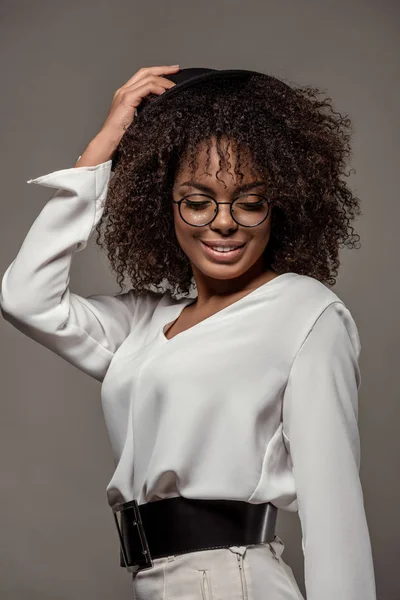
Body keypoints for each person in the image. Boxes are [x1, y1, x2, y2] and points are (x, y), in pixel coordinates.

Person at [0, 65, 377, 599]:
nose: (224, 222)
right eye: (198, 201)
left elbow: (335, 511)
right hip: (155, 584)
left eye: (249, 201)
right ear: (164, 207)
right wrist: (99, 154)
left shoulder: (305, 312)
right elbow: (25, 298)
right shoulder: (144, 323)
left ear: (278, 208)